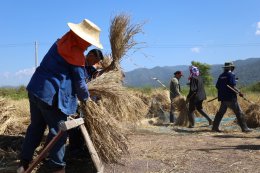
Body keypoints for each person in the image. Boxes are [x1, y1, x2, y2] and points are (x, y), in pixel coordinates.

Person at [17, 19, 103, 173]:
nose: (89, 45)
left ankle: (24, 163)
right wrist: (86, 99)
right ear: (81, 38)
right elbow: (80, 82)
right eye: (88, 41)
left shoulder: (59, 43)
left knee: (36, 127)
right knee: (59, 132)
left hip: (35, 89)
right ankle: (57, 168)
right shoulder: (75, 52)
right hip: (50, 96)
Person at [68, 48, 104, 158]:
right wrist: (85, 99)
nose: (96, 63)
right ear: (90, 55)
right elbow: (79, 83)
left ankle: (80, 147)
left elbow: (94, 72)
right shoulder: (80, 64)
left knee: (82, 123)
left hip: (81, 99)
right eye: (96, 59)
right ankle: (74, 149)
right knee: (74, 124)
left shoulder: (88, 66)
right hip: (73, 98)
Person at [212, 62, 252, 133]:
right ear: (231, 68)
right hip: (231, 98)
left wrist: (223, 90)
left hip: (223, 98)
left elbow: (217, 86)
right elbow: (232, 86)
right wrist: (239, 92)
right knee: (239, 112)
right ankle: (245, 128)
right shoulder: (231, 75)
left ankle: (215, 127)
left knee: (220, 113)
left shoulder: (221, 75)